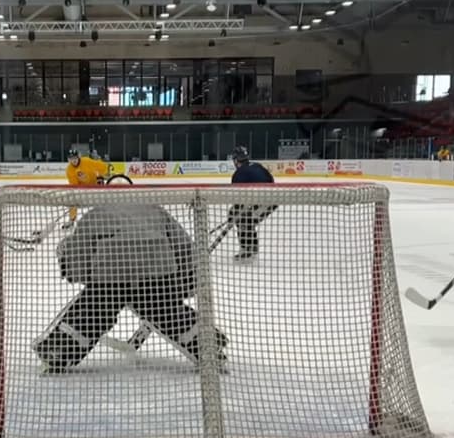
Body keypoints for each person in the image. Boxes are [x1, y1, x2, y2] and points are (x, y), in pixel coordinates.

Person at [33, 200, 227, 373]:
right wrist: (187, 280)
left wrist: (80, 276)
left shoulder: (96, 212)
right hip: (156, 274)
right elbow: (184, 246)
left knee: (93, 310)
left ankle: (59, 350)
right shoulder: (155, 209)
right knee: (168, 310)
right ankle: (209, 343)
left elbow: (80, 250)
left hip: (111, 277)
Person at [228, 145, 276, 262]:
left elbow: (238, 200)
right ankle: (250, 248)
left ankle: (248, 250)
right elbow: (271, 181)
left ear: (235, 160)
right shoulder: (257, 165)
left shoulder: (238, 174)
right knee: (243, 217)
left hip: (266, 202)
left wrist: (233, 217)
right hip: (272, 198)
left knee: (244, 218)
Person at [64, 147, 111, 228]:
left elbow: (99, 165)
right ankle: (72, 220)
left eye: (75, 158)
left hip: (96, 185)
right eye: (71, 159)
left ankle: (107, 217)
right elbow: (74, 185)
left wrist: (106, 172)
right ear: (68, 160)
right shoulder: (69, 170)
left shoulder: (86, 161)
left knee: (104, 199)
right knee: (72, 200)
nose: (73, 160)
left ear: (78, 157)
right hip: (83, 189)